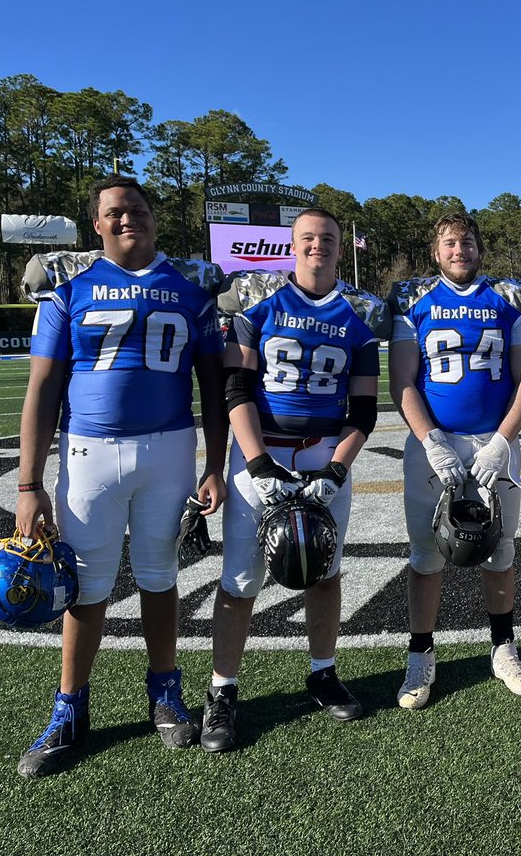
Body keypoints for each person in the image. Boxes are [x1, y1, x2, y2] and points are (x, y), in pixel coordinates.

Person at [14, 175, 228, 778]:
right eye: (114, 213)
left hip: (168, 450)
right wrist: (28, 485)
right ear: (97, 225)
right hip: (89, 453)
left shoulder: (191, 290)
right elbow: (42, 389)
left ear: (154, 217)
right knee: (86, 586)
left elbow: (214, 387)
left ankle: (164, 689)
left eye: (136, 209)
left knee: (160, 576)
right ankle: (70, 708)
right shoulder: (70, 290)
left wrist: (215, 464)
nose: (126, 218)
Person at [203, 208, 387, 752]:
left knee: (324, 570)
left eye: (327, 239)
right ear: (292, 244)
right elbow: (236, 389)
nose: (318, 247)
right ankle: (223, 691)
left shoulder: (361, 312)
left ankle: (322, 672)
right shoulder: (258, 297)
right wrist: (257, 463)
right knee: (240, 580)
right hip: (260, 454)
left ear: (338, 246)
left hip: (325, 453)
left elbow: (364, 410)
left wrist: (336, 470)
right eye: (308, 238)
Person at [388, 212, 521, 709]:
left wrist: (502, 441)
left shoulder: (509, 298)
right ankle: (420, 656)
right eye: (450, 243)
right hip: (437, 443)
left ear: (480, 248)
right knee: (426, 554)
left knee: (501, 549)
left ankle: (503, 648)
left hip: (494, 441)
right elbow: (403, 381)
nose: (460, 250)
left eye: (468, 242)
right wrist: (431, 439)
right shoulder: (415, 300)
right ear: (436, 252)